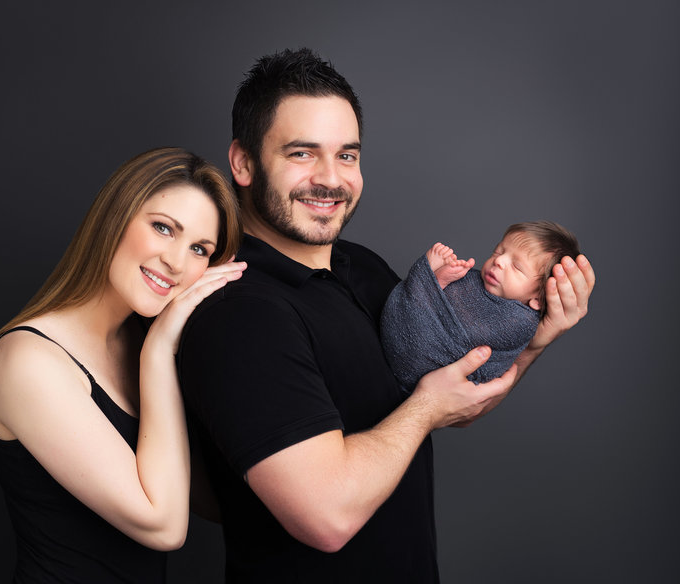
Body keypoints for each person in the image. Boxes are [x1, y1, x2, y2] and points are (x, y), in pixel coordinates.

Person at [177, 49, 595, 583]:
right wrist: (424, 409)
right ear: (243, 163)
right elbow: (326, 517)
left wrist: (538, 337)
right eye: (303, 154)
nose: (331, 179)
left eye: (347, 156)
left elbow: (457, 398)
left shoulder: (364, 269)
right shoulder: (238, 312)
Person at [0, 147, 245, 583]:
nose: (177, 263)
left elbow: (209, 501)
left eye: (200, 248)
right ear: (115, 219)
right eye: (163, 228)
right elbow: (164, 525)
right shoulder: (27, 360)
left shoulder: (137, 343)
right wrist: (160, 352)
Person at [381, 220, 581, 390]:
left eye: (517, 266)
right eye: (498, 252)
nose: (499, 261)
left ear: (537, 299)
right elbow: (428, 307)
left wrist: (429, 283)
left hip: (422, 370)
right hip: (395, 338)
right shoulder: (472, 279)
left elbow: (464, 335)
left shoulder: (520, 322)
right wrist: (437, 281)